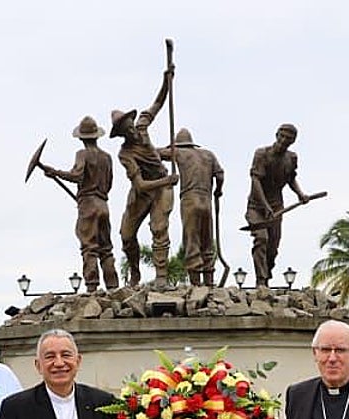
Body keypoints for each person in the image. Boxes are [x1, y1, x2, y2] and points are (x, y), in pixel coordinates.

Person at [110, 67, 179, 287]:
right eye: (125, 130)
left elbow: (158, 104)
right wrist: (167, 181)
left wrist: (166, 82)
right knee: (126, 235)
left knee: (159, 228)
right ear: (120, 134)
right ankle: (135, 273)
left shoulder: (142, 126)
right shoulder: (125, 154)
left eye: (130, 126)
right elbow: (139, 185)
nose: (131, 131)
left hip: (161, 189)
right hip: (144, 190)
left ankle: (161, 276)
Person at [41, 115, 120, 291]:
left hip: (89, 205)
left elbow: (77, 175)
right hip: (103, 205)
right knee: (106, 249)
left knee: (89, 247)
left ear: (82, 138)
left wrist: (56, 172)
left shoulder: (82, 154)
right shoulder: (107, 157)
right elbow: (109, 184)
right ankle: (113, 287)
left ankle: (92, 288)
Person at [245, 124, 312, 286]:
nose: (283, 140)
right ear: (276, 135)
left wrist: (300, 194)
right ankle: (261, 280)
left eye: (288, 138)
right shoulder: (262, 154)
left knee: (273, 247)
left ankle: (266, 274)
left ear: (293, 141)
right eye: (281, 136)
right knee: (261, 239)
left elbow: (290, 179)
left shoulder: (292, 158)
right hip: (257, 207)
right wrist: (265, 205)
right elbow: (255, 181)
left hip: (277, 207)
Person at [158, 128, 224, 286]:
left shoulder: (179, 152)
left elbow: (156, 153)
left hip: (190, 199)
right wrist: (218, 190)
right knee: (207, 239)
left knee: (191, 238)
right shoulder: (208, 154)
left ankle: (195, 283)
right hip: (206, 199)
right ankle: (209, 281)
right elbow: (220, 174)